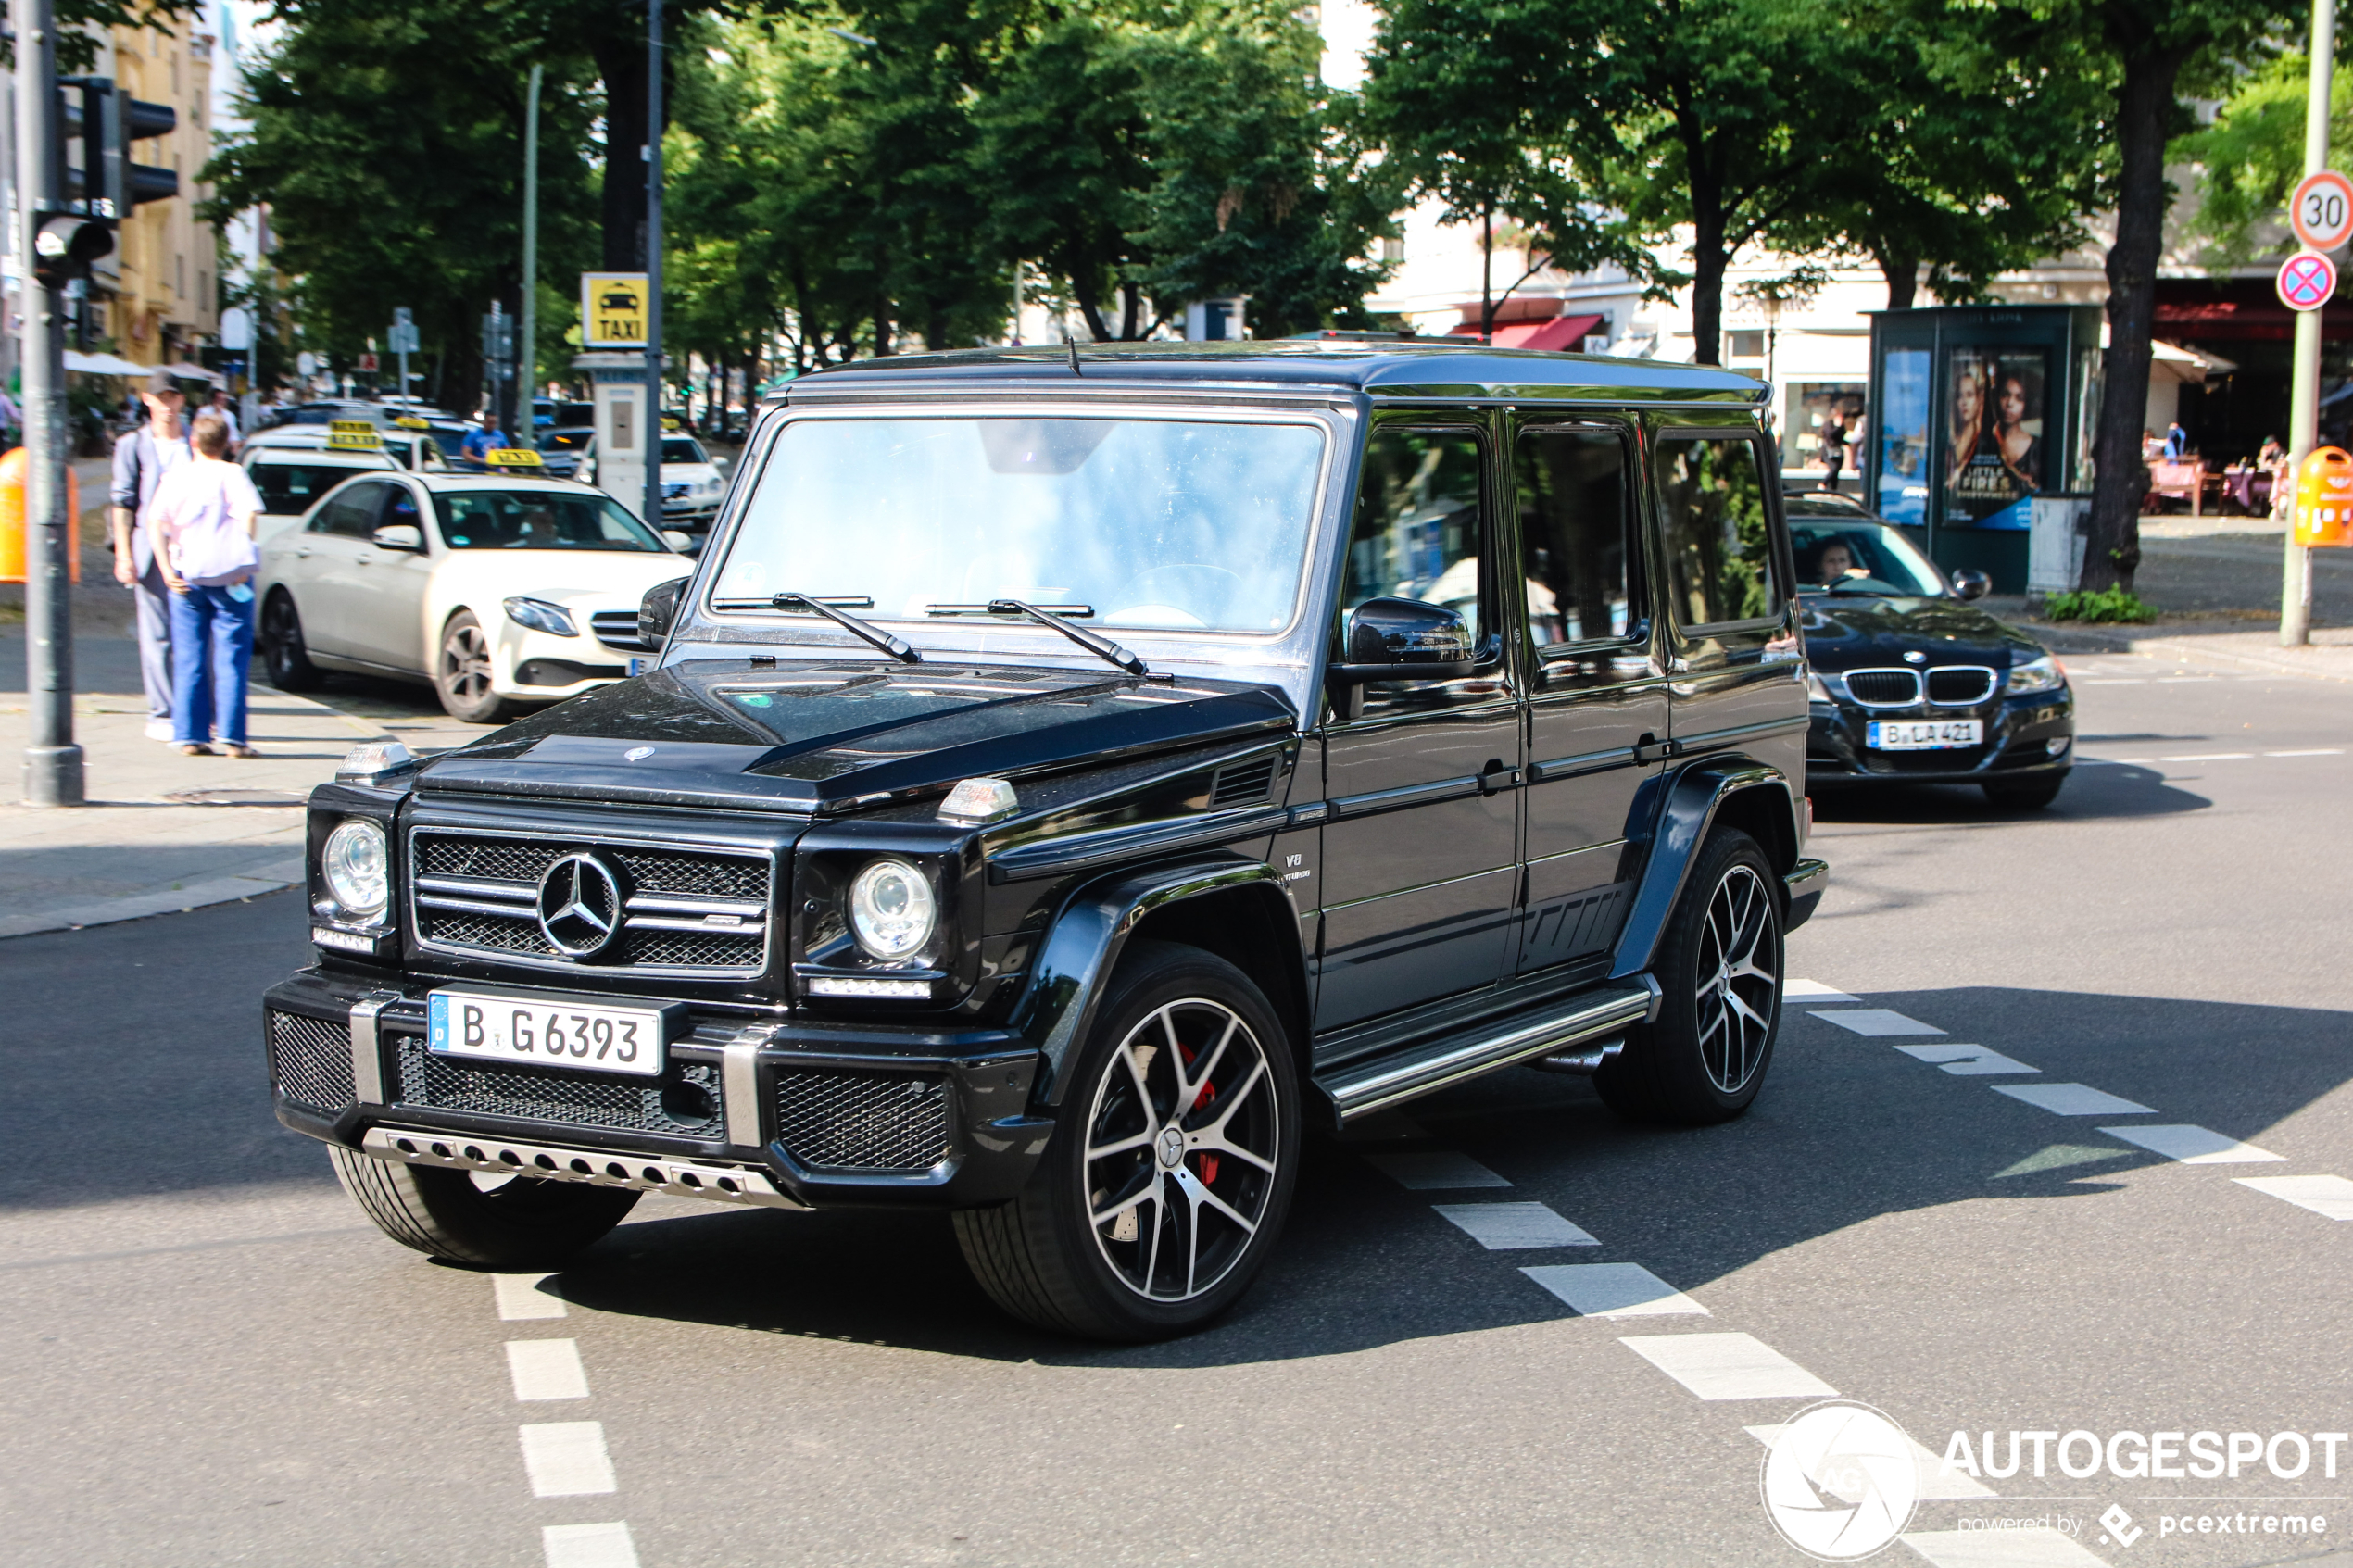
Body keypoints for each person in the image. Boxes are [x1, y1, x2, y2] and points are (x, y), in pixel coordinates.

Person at [149, 412, 264, 758]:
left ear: (193, 442)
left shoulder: (175, 477)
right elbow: (250, 513)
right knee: (231, 657)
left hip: (185, 573)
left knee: (189, 656)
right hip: (229, 576)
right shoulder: (233, 473)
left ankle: (190, 735)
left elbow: (156, 522)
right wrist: (242, 557)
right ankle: (232, 738)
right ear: (228, 444)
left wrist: (166, 568)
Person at [109, 370, 194, 741]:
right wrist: (124, 553)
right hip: (149, 550)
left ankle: (194, 710)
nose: (167, 406)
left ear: (181, 400)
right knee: (157, 634)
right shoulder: (134, 444)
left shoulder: (195, 440)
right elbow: (122, 502)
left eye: (172, 398)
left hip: (193, 549)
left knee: (192, 634)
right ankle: (162, 712)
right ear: (147, 399)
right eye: (160, 398)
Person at [1992, 373, 2042, 489]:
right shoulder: (1987, 441)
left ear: (2026, 404)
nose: (2009, 404)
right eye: (2005, 395)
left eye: (2019, 398)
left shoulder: (2037, 447)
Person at [204, 387, 242, 452]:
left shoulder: (230, 415)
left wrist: (235, 445)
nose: (222, 402)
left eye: (224, 400)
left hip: (226, 448)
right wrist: (218, 413)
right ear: (213, 400)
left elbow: (233, 433)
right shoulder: (204, 412)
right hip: (209, 446)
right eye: (219, 399)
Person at [1818, 409, 1848, 488]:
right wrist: (1837, 426)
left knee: (1837, 469)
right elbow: (1830, 435)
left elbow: (1842, 435)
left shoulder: (1841, 426)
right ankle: (1823, 483)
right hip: (1829, 450)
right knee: (1833, 468)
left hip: (1838, 450)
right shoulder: (1828, 424)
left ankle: (1834, 488)